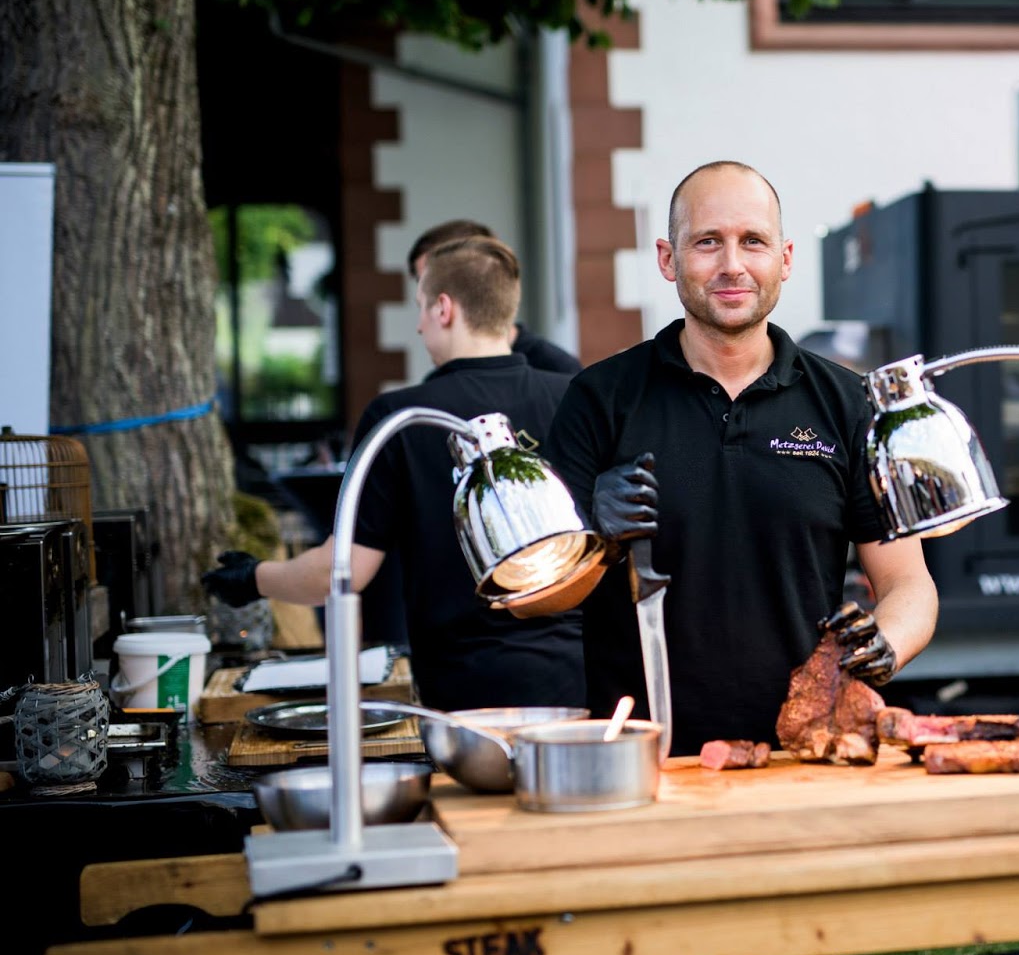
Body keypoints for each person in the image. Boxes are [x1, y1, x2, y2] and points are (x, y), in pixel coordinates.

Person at [538, 160, 939, 757]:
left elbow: (910, 585)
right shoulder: (602, 398)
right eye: (707, 242)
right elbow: (544, 598)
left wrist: (883, 646)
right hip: (643, 756)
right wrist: (593, 535)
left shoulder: (846, 406)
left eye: (753, 241)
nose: (732, 264)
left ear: (785, 259)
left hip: (803, 751)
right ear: (668, 259)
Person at [202, 236, 587, 710]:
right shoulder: (576, 396)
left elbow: (339, 573)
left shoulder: (400, 417)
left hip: (465, 693)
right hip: (582, 680)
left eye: (422, 308)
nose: (421, 327)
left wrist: (254, 577)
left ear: (444, 309)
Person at [408, 219, 583, 376]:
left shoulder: (559, 371)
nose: (426, 290)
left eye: (434, 276)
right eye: (421, 280)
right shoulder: (439, 380)